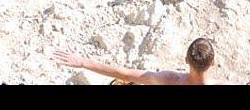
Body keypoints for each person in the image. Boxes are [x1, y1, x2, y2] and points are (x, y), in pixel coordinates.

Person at [53, 37, 221, 85]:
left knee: (122, 82)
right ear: (212, 63)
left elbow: (125, 73)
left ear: (186, 60)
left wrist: (83, 62)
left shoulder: (169, 80)